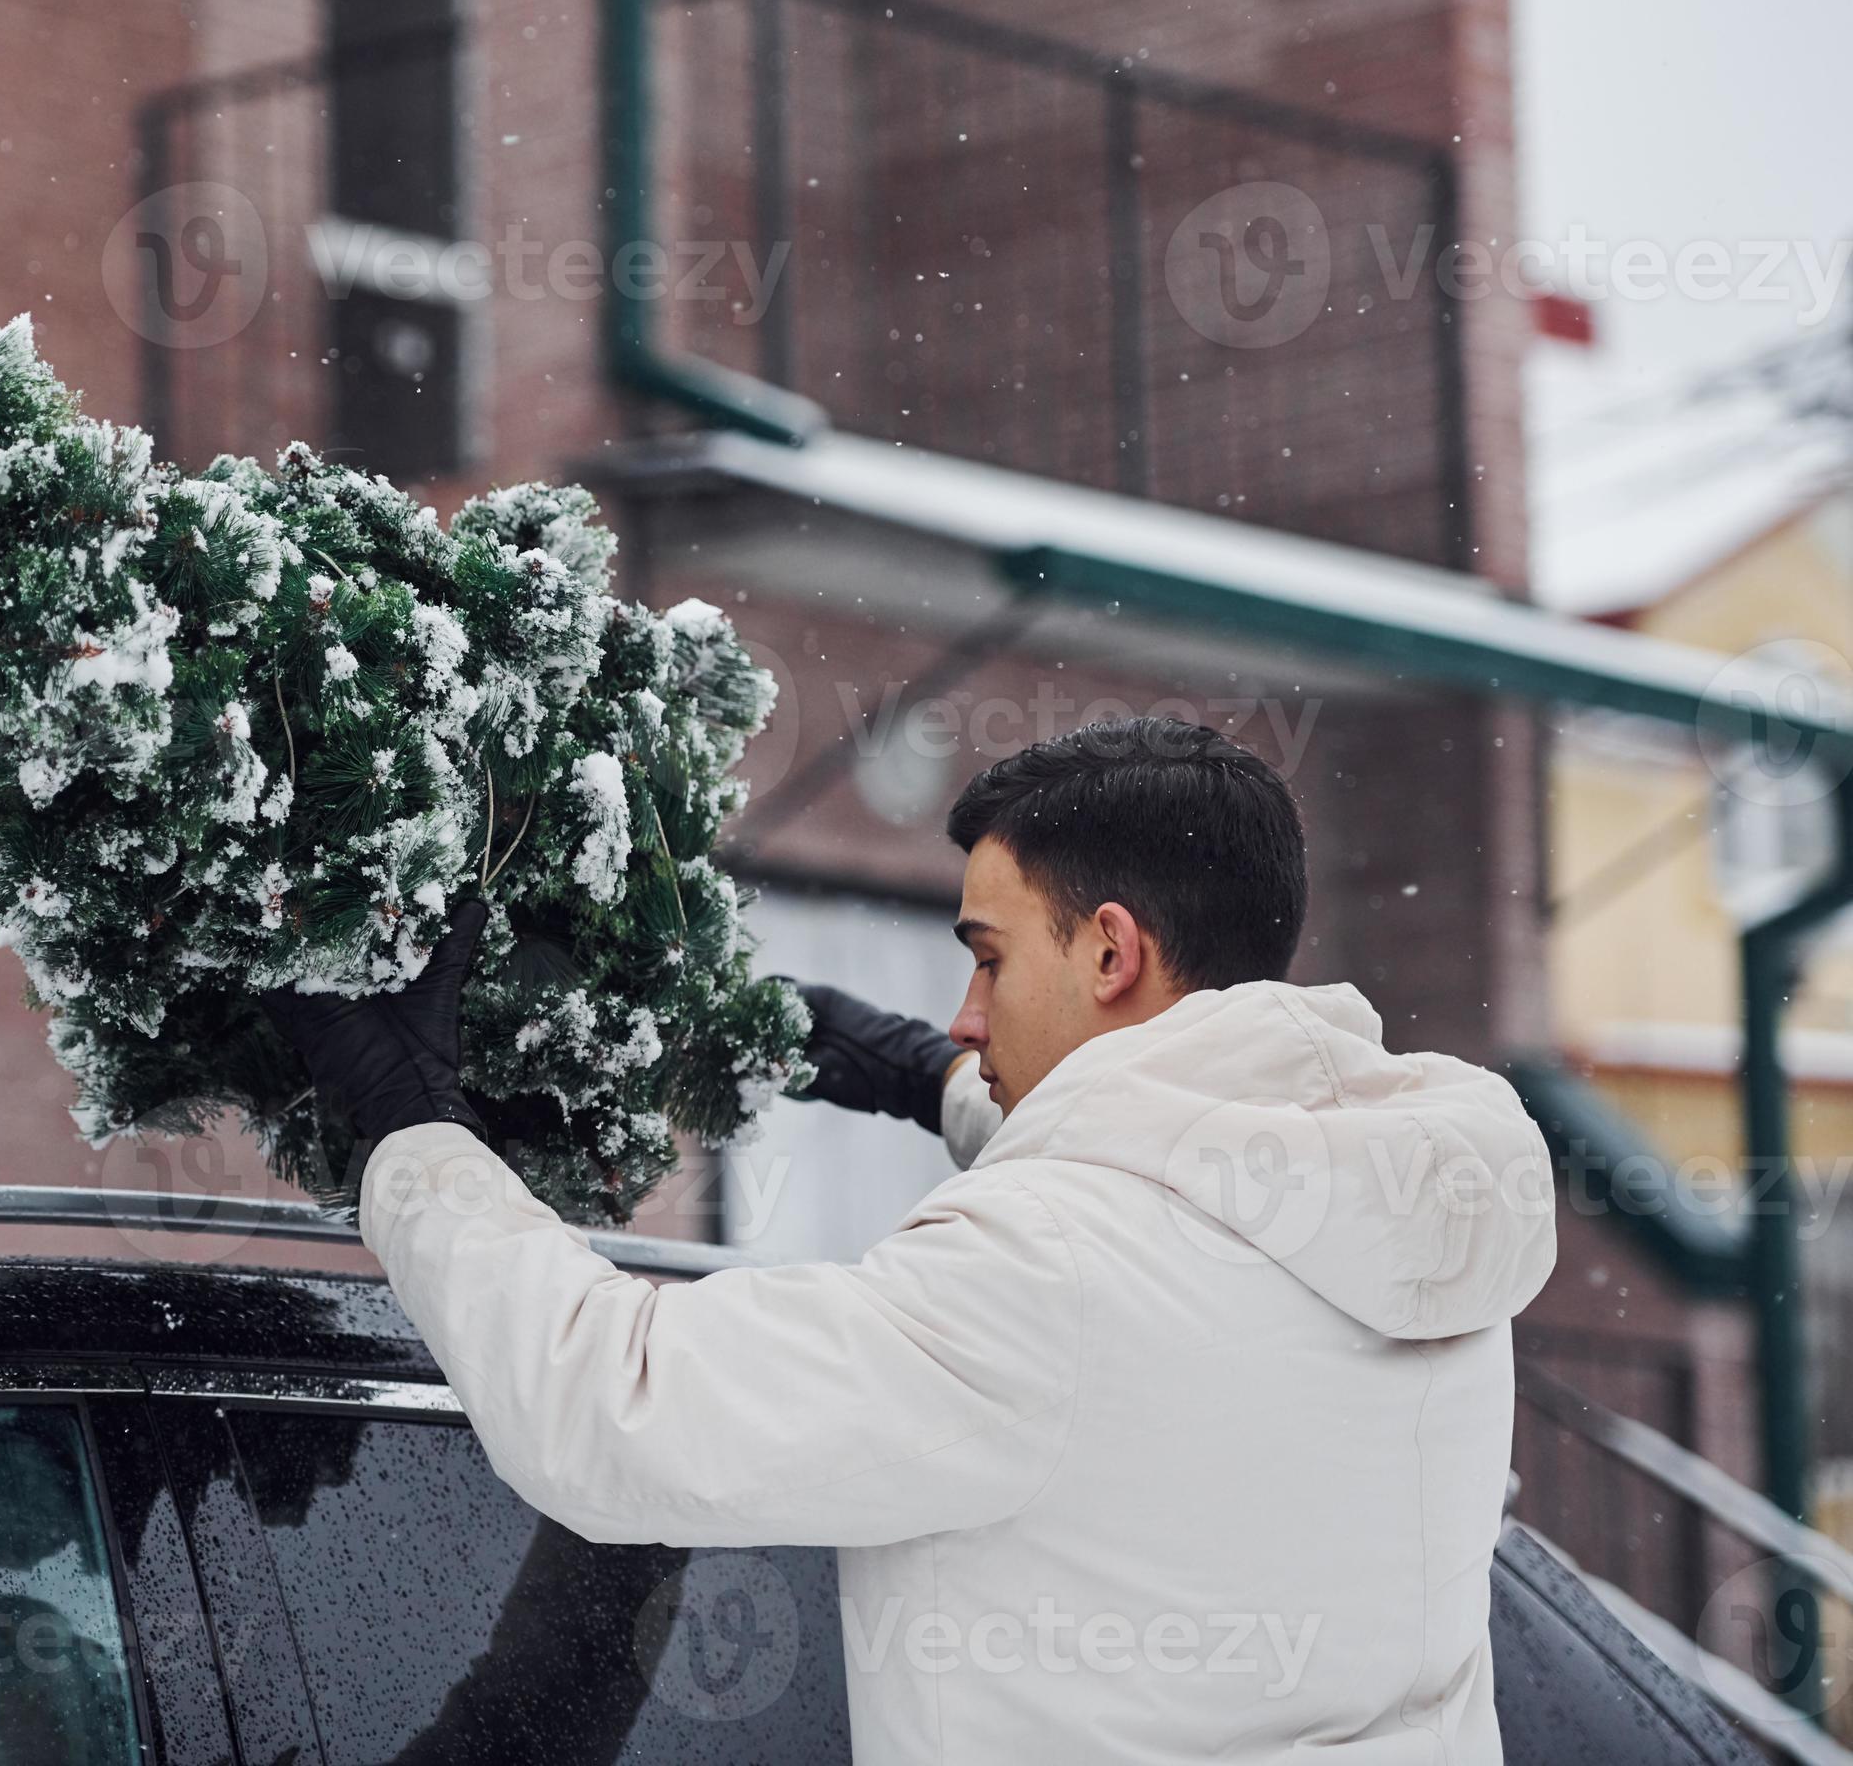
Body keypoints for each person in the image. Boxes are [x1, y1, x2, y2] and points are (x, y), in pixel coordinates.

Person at [270, 715, 1558, 1763]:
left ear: (1112, 949)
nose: (965, 1008)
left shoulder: (1041, 1275)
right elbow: (1187, 1226)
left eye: (989, 958)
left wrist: (414, 1136)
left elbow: (618, 1410)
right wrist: (931, 1084)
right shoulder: (1408, 1206)